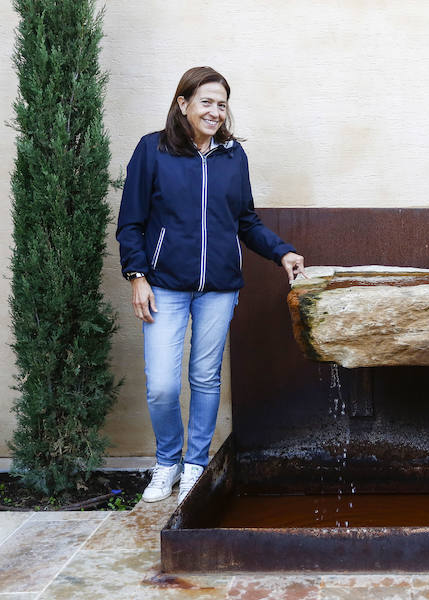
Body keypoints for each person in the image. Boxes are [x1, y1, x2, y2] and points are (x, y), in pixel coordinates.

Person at [117, 67, 307, 504]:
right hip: (163, 285)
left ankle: (195, 466)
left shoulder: (232, 157)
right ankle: (168, 461)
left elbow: (246, 221)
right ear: (182, 103)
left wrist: (282, 252)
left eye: (222, 104)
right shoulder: (152, 150)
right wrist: (137, 276)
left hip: (219, 287)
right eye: (206, 102)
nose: (215, 112)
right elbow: (131, 223)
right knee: (162, 385)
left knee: (205, 377)